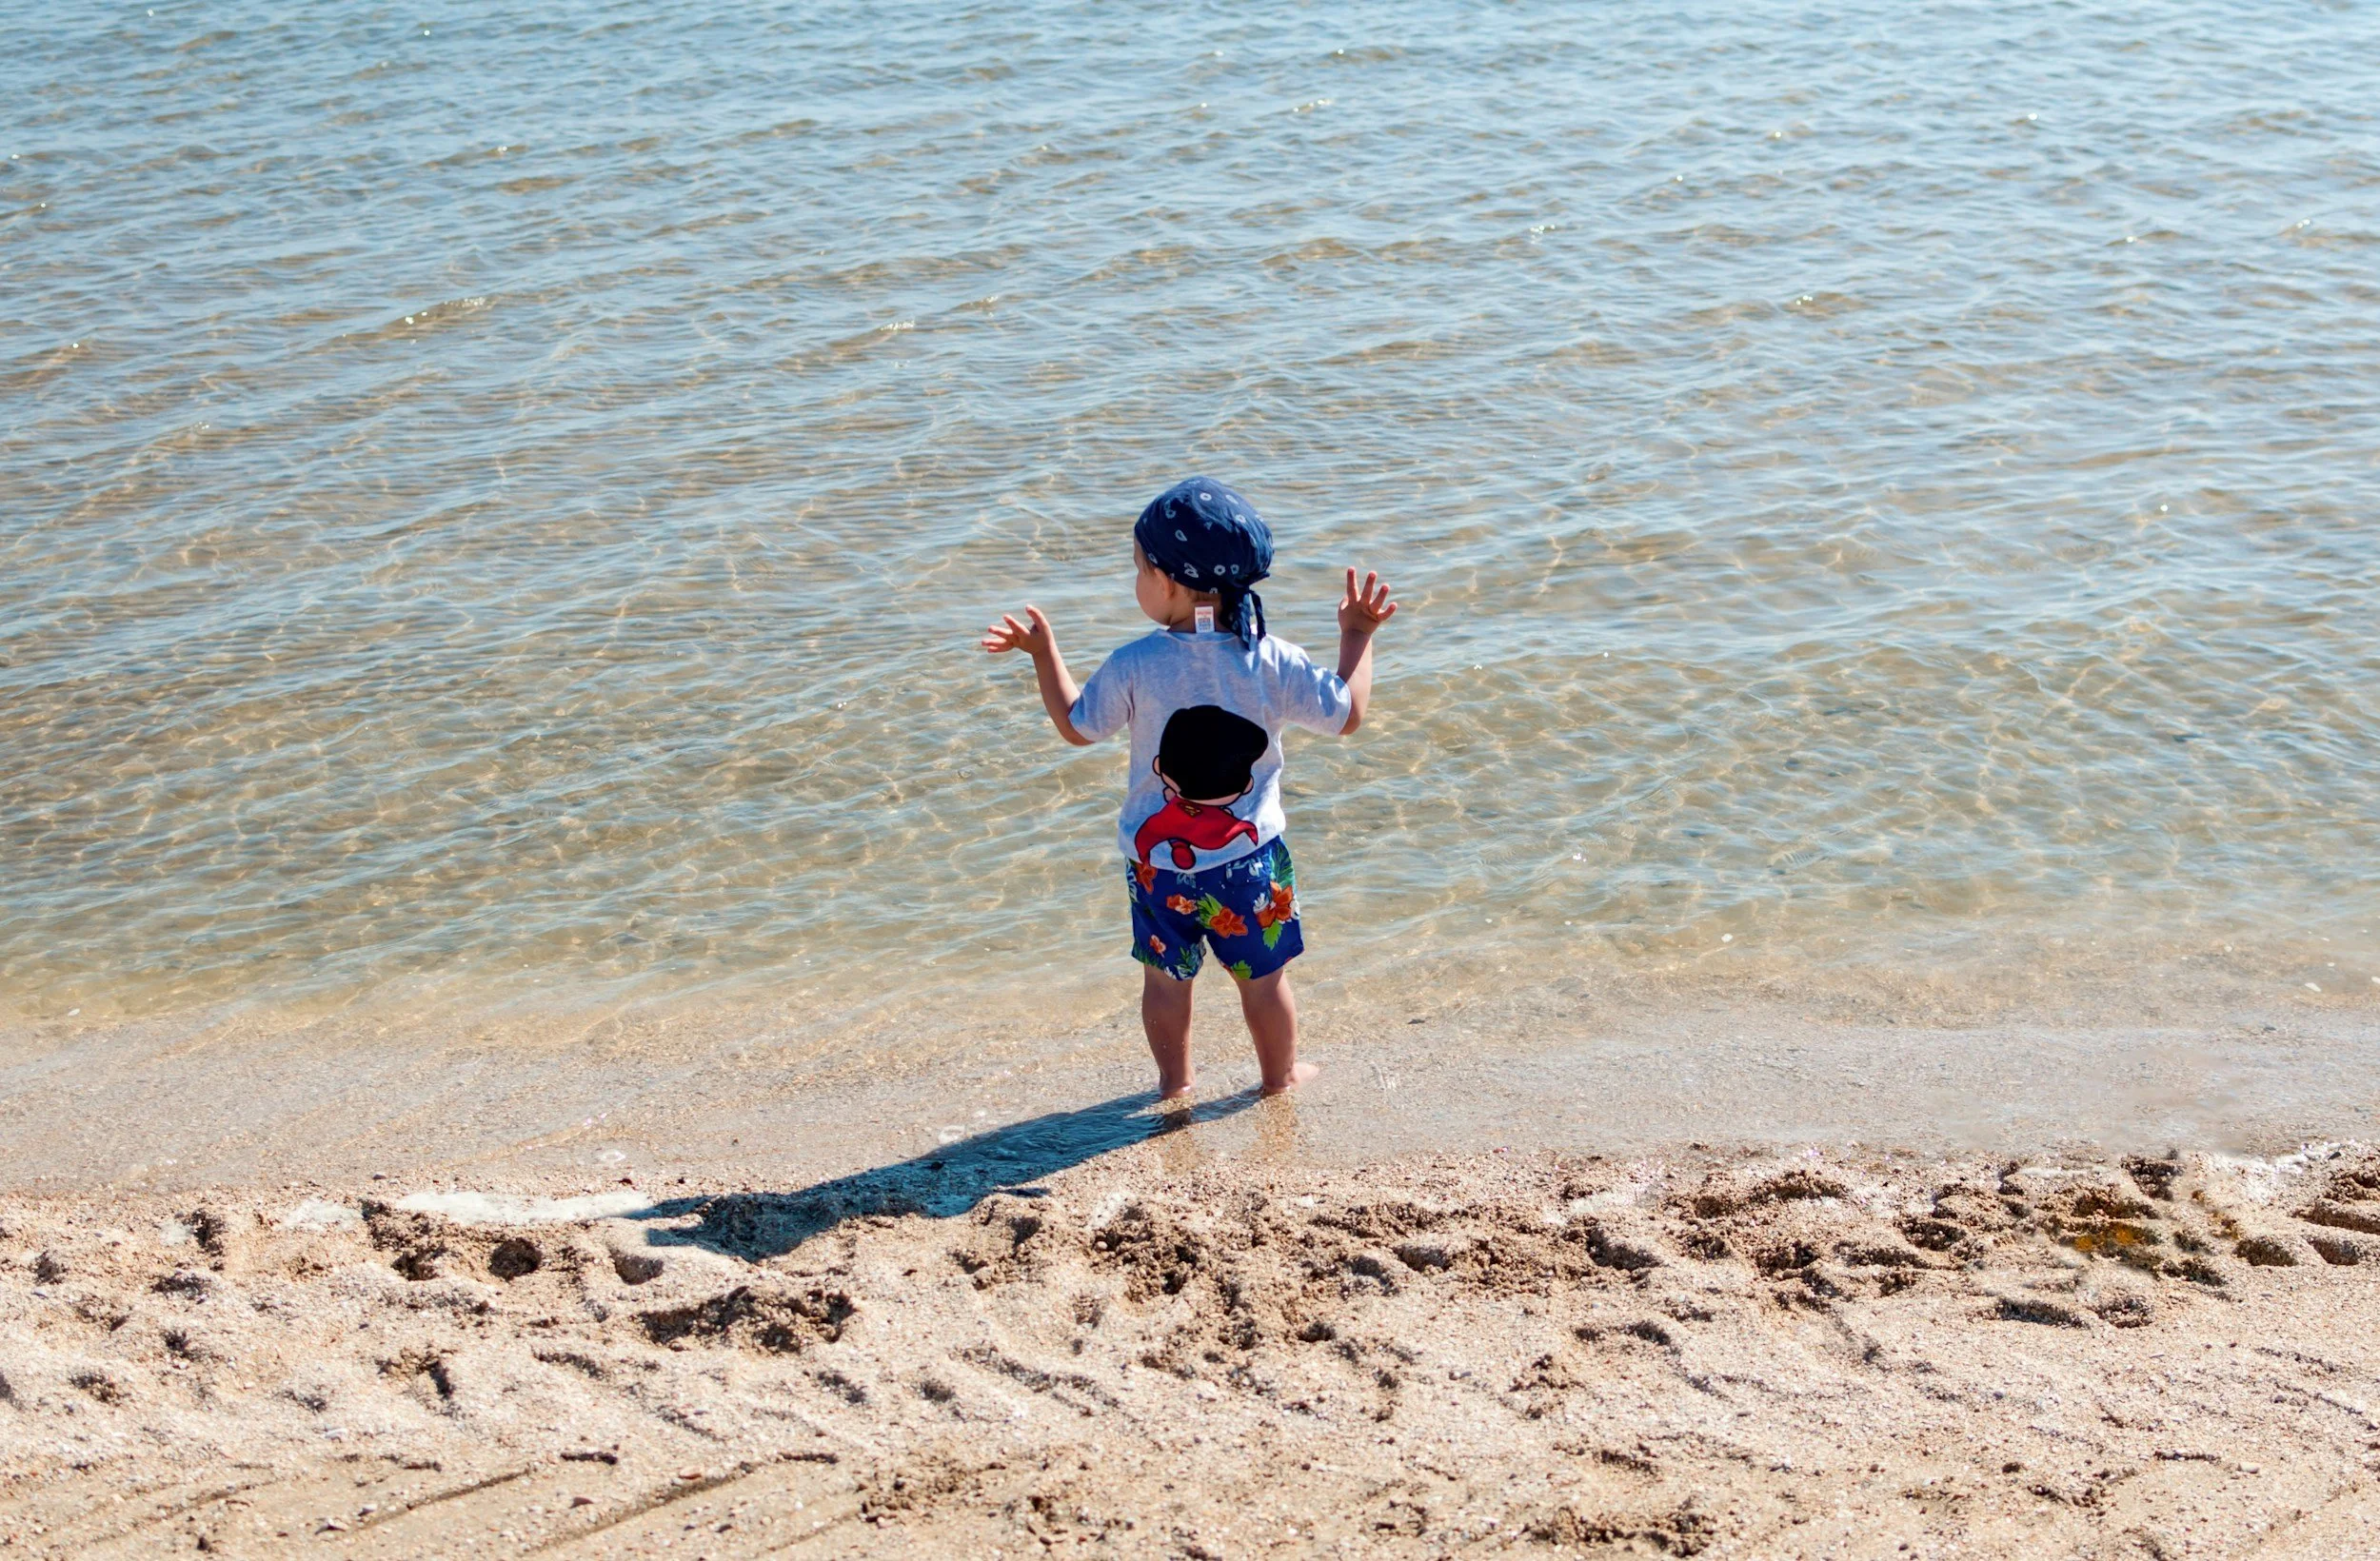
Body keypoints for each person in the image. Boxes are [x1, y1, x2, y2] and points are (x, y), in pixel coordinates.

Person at [982, 477, 1396, 1098]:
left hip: (1157, 868)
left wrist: (1044, 655)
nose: (1137, 582)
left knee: (1164, 983)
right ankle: (1278, 1080)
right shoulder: (1271, 657)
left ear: (1171, 582)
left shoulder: (1136, 663)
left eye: (1138, 568)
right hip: (1250, 864)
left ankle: (1175, 1085)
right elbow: (1347, 712)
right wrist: (1357, 636)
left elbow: (1076, 725)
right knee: (1264, 981)